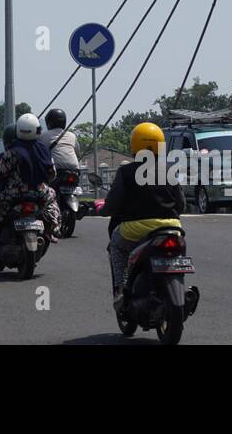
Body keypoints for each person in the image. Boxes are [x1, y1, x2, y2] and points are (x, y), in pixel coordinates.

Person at [98, 121, 185, 311]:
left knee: (116, 247)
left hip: (136, 229)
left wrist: (100, 210)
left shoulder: (126, 172)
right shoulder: (169, 171)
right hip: (172, 227)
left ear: (134, 145)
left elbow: (112, 205)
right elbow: (181, 204)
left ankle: (120, 289)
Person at [0, 113, 60, 246]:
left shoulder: (13, 151)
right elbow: (52, 173)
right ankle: (52, 229)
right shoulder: (44, 149)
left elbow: (2, 171)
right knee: (53, 197)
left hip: (15, 194)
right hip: (40, 193)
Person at [41, 108, 81, 173]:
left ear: (49, 122)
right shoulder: (72, 135)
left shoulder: (44, 136)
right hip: (74, 169)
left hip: (56, 170)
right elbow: (78, 154)